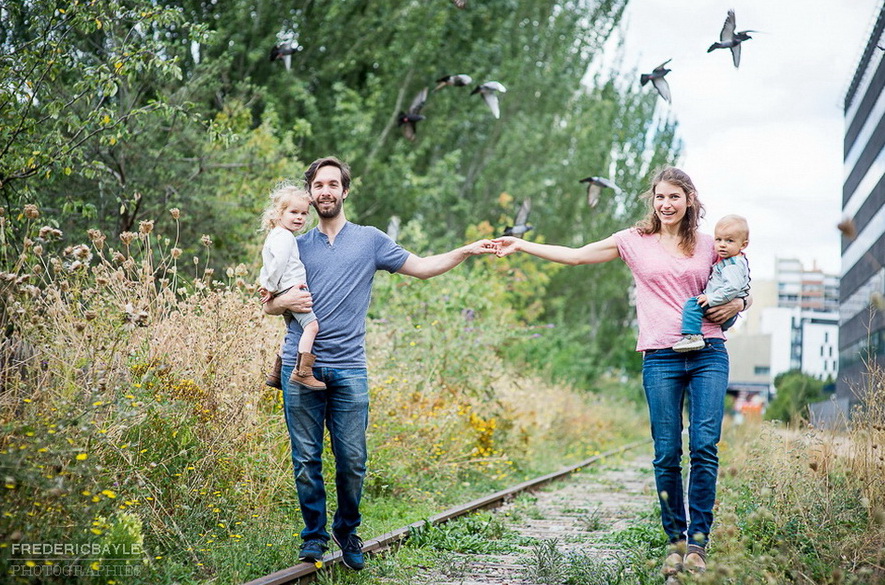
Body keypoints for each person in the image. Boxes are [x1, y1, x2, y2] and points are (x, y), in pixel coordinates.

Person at [493, 167, 747, 577]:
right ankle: (675, 542)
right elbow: (577, 255)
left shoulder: (709, 245)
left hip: (708, 352)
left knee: (703, 446)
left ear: (689, 201)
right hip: (660, 358)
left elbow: (740, 278)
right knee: (666, 453)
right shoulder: (633, 241)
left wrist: (741, 304)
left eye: (675, 197)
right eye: (660, 197)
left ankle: (698, 544)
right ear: (653, 200)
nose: (667, 204)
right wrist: (522, 245)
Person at [263, 156, 497, 571]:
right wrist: (282, 301)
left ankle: (346, 528)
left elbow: (423, 268)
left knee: (353, 460)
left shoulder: (370, 240)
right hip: (301, 364)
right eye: (318, 185)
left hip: (350, 367)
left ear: (345, 191)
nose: (325, 192)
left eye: (333, 184)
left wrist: (466, 249)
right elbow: (267, 302)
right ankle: (313, 539)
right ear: (311, 193)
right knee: (305, 460)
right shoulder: (293, 241)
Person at [258, 184, 326, 391]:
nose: (299, 217)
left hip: (282, 290)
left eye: (304, 213)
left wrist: (267, 286)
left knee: (291, 330)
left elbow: (266, 265)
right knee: (311, 327)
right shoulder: (285, 237)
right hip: (291, 290)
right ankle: (303, 372)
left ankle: (277, 373)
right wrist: (270, 287)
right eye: (293, 212)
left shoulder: (275, 235)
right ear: (279, 213)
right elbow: (277, 263)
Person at [672, 214, 750, 352]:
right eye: (718, 239)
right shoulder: (730, 260)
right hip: (726, 309)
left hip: (722, 303)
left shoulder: (732, 265)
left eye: (729, 241)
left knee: (693, 304)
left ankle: (693, 335)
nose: (722, 245)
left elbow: (733, 288)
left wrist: (710, 298)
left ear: (743, 244)